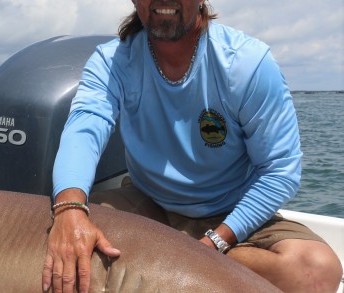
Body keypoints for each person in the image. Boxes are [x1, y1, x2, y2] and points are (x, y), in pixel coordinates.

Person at [43, 0, 343, 292]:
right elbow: (84, 131)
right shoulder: (112, 61)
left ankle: (160, 268)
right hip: (149, 203)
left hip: (232, 215)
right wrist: (70, 207)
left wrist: (215, 242)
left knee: (316, 271)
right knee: (62, 239)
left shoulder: (246, 63)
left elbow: (280, 171)